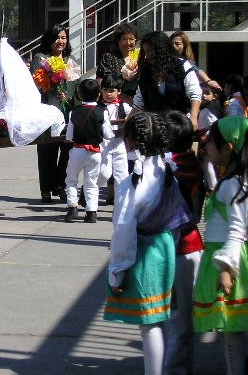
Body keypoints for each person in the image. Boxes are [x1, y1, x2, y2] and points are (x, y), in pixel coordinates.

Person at [105, 112, 191, 375]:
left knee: (149, 323)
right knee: (158, 319)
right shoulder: (165, 169)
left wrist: (117, 271)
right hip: (166, 246)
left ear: (130, 142)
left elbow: (124, 230)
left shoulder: (132, 184)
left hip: (144, 254)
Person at [193, 116, 248, 374]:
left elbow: (237, 229)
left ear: (228, 148)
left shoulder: (233, 187)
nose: (206, 148)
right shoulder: (232, 182)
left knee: (232, 329)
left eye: (211, 144)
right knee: (233, 329)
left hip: (229, 260)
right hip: (226, 257)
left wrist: (226, 268)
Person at [161, 110, 205, 375]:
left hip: (175, 247)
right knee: (180, 317)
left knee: (174, 317)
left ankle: (173, 369)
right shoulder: (193, 163)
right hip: (188, 245)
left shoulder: (168, 167)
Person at [64, 79, 114, 223]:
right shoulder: (102, 112)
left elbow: (69, 137)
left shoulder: (74, 112)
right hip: (95, 152)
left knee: (71, 179)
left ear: (79, 95)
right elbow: (108, 135)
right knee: (91, 182)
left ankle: (72, 208)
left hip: (78, 150)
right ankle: (91, 212)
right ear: (98, 95)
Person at [33, 24, 73, 203]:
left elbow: (75, 84)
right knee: (47, 151)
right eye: (57, 37)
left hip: (67, 112)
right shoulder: (40, 58)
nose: (60, 41)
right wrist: (52, 84)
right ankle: (46, 188)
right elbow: (36, 84)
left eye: (63, 37)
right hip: (46, 111)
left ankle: (60, 185)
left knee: (67, 151)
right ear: (49, 40)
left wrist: (69, 95)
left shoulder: (71, 60)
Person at [130, 31, 202, 130]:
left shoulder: (182, 65)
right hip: (155, 126)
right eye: (146, 51)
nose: (148, 55)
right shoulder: (146, 72)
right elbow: (139, 101)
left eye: (151, 51)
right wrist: (129, 121)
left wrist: (193, 118)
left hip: (179, 124)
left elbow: (195, 93)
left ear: (162, 49)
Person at [97, 73, 132, 205]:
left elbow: (134, 117)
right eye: (105, 90)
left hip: (119, 143)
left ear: (119, 92)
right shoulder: (98, 107)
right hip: (103, 143)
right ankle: (88, 192)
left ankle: (121, 203)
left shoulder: (124, 106)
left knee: (121, 174)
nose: (108, 94)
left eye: (112, 90)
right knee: (103, 173)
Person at [96, 23, 139, 102]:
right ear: (118, 40)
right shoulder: (109, 57)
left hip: (137, 99)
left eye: (131, 39)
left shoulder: (140, 57)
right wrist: (121, 96)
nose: (128, 43)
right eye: (125, 39)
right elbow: (101, 79)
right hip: (114, 100)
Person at [199, 85, 222, 191]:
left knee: (206, 162)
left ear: (214, 96)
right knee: (201, 161)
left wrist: (206, 138)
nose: (203, 96)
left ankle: (213, 187)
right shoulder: (203, 108)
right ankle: (207, 185)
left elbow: (214, 125)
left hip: (204, 139)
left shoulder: (209, 109)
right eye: (202, 93)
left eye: (207, 93)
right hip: (199, 138)